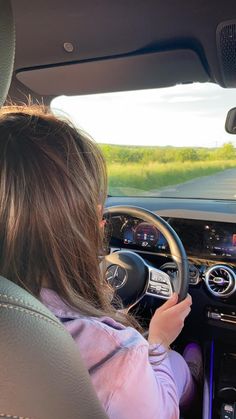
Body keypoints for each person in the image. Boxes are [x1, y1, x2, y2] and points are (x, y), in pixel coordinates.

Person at [0, 105, 202, 418]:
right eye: (94, 203)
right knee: (177, 367)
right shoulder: (117, 353)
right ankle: (192, 376)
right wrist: (159, 340)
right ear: (83, 223)